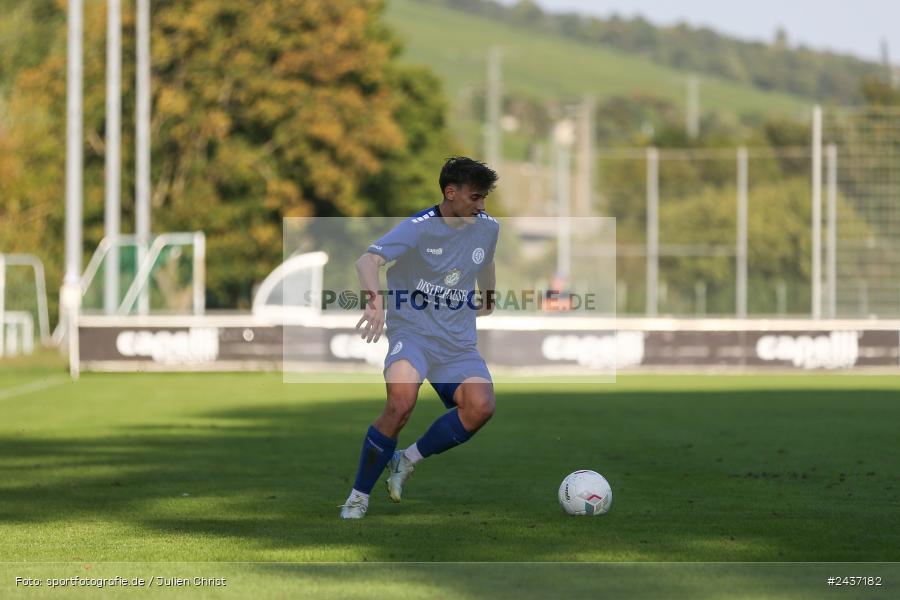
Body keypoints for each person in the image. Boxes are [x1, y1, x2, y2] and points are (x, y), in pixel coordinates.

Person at [340, 157, 500, 519]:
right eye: (475, 198)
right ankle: (358, 497)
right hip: (412, 332)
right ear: (450, 192)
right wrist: (375, 302)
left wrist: (489, 298)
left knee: (481, 406)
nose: (482, 206)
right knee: (400, 402)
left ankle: (406, 460)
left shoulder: (488, 227)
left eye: (484, 198)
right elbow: (367, 262)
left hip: (457, 341)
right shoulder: (418, 228)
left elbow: (486, 262)